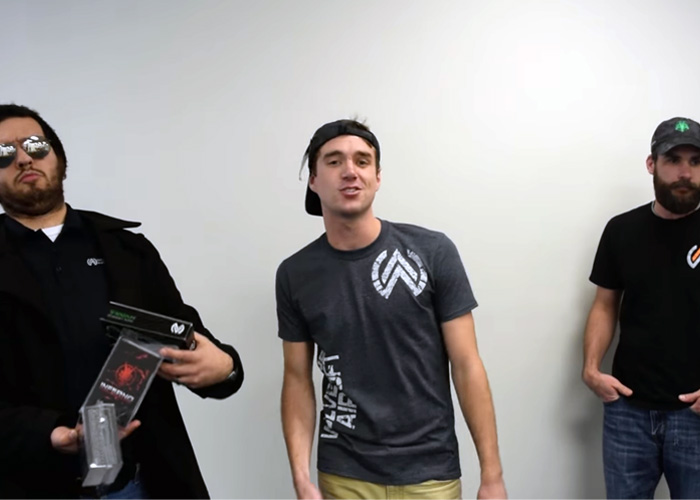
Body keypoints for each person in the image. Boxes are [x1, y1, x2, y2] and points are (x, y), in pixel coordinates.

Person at [0, 104, 244, 499]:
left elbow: (189, 338)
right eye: (4, 154)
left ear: (60, 157)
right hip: (28, 486)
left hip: (139, 484)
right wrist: (48, 432)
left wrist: (226, 369)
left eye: (35, 145)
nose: (24, 158)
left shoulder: (127, 250)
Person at [277, 119, 506, 499]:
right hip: (343, 474)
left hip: (430, 473)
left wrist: (492, 476)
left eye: (362, 161)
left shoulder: (433, 252)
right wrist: (301, 478)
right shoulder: (295, 274)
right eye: (334, 161)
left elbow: (467, 365)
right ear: (313, 180)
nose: (350, 171)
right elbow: (297, 378)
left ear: (378, 176)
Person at [583, 117, 700, 498]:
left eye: (696, 161)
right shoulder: (621, 230)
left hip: (696, 413)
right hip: (627, 412)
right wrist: (591, 368)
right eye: (673, 160)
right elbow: (604, 305)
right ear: (652, 164)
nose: (685, 173)